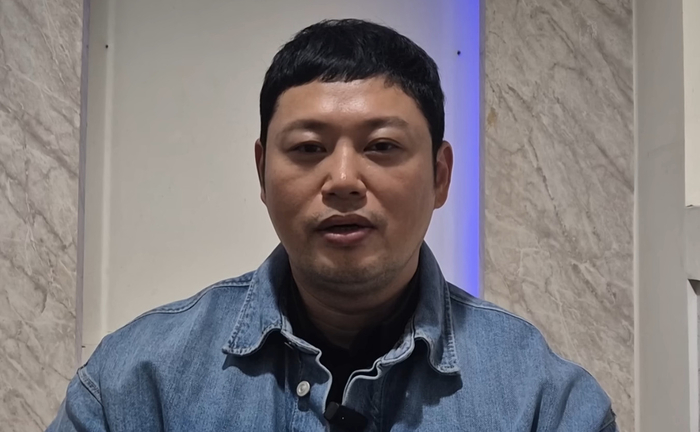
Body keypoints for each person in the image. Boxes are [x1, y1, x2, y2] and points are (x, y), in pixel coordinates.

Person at [48, 19, 617, 432]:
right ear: (262, 172)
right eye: (308, 148)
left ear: (440, 176)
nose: (343, 179)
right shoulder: (133, 386)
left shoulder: (544, 404)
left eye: (382, 146)